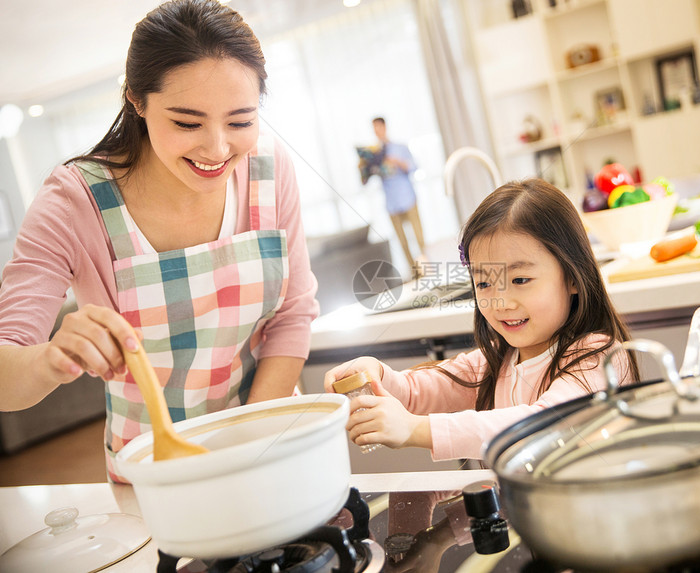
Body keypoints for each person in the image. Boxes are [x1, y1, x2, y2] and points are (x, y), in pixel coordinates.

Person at [0, 0, 319, 482]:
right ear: (137, 100)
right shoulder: (75, 199)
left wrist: (248, 444)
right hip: (155, 470)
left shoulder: (270, 170)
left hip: (269, 441)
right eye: (187, 123)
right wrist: (49, 359)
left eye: (240, 121)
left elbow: (293, 317)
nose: (217, 149)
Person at [324, 178, 639, 461]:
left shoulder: (597, 356)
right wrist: (376, 374)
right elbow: (420, 390)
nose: (500, 301)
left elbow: (541, 425)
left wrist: (415, 430)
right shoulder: (496, 360)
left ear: (573, 276)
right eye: (484, 283)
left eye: (520, 280)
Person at [365, 117, 426, 272]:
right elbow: (366, 178)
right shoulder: (374, 154)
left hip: (408, 198)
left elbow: (414, 167)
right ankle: (415, 273)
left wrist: (397, 162)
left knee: (419, 238)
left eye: (379, 127)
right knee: (403, 243)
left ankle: (428, 267)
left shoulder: (400, 147)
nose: (377, 131)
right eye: (374, 129)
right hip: (391, 203)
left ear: (385, 127)